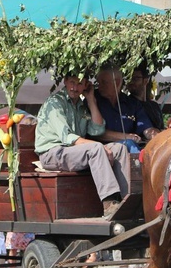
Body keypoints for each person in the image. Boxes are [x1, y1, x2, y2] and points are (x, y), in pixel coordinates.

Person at [35, 74, 131, 219]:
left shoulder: (80, 105)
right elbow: (67, 138)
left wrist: (91, 99)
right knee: (96, 148)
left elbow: (97, 130)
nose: (75, 87)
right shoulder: (54, 103)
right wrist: (99, 146)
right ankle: (109, 203)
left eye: (80, 84)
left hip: (72, 152)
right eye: (72, 82)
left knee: (119, 149)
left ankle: (126, 200)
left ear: (86, 85)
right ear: (65, 82)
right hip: (52, 153)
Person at [95, 65, 158, 153]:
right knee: (129, 144)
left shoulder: (132, 104)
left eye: (104, 82)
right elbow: (96, 133)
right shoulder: (93, 100)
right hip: (102, 150)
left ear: (117, 82)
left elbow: (146, 128)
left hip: (126, 150)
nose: (99, 87)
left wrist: (157, 136)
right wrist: (127, 137)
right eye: (98, 83)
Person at [127, 65, 163, 130]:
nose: (131, 82)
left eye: (135, 79)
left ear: (145, 81)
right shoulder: (126, 104)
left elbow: (161, 127)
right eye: (128, 79)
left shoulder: (155, 106)